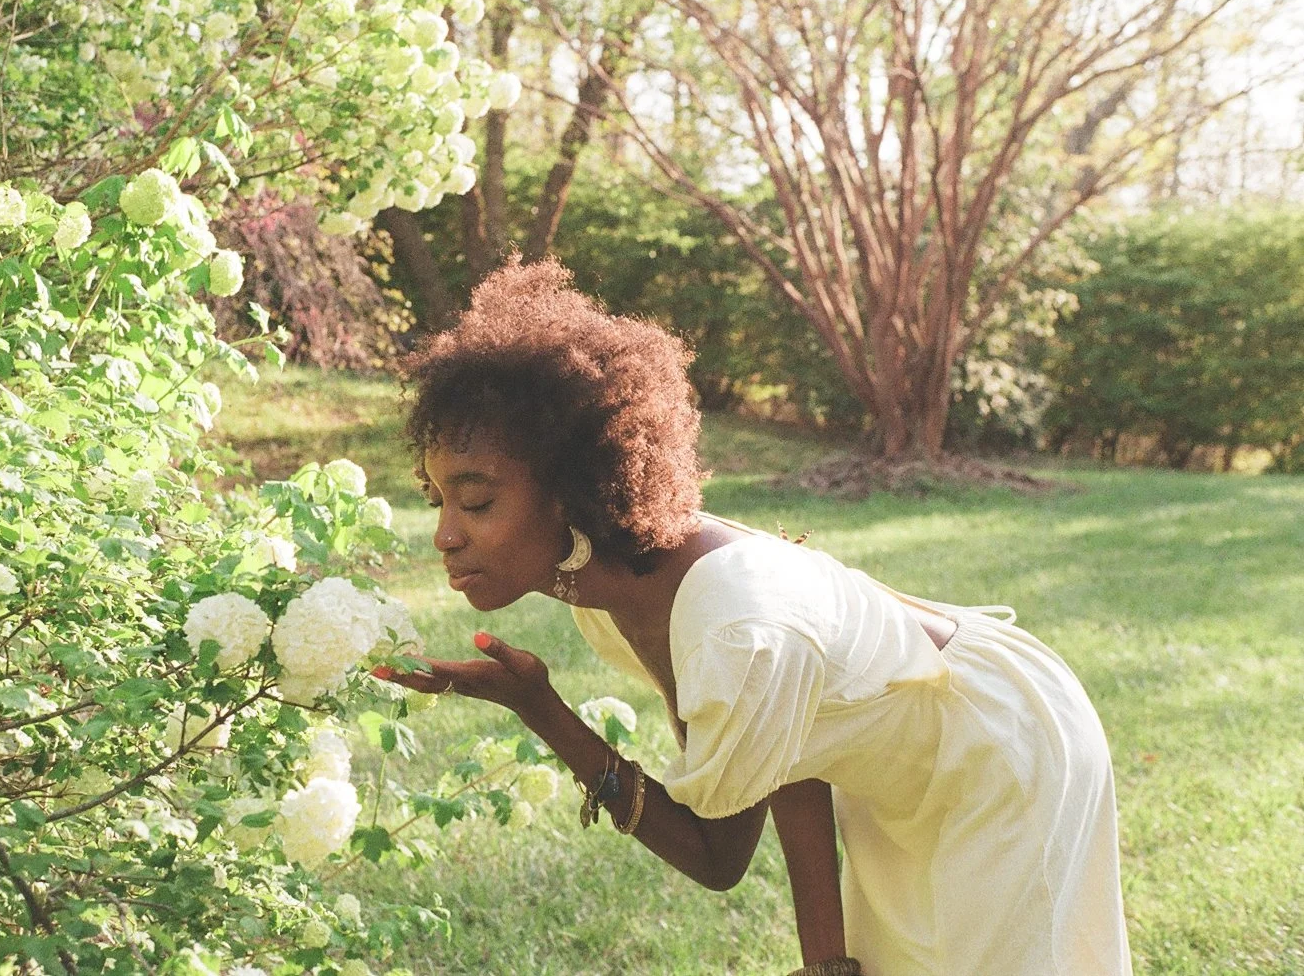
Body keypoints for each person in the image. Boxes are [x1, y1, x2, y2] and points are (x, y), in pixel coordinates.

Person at [372, 259, 1133, 976]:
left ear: (571, 490)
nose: (444, 532)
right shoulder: (619, 585)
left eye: (475, 501)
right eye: (436, 498)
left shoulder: (730, 623)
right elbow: (790, 751)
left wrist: (539, 707)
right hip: (911, 767)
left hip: (1001, 752)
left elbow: (715, 856)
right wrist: (826, 960)